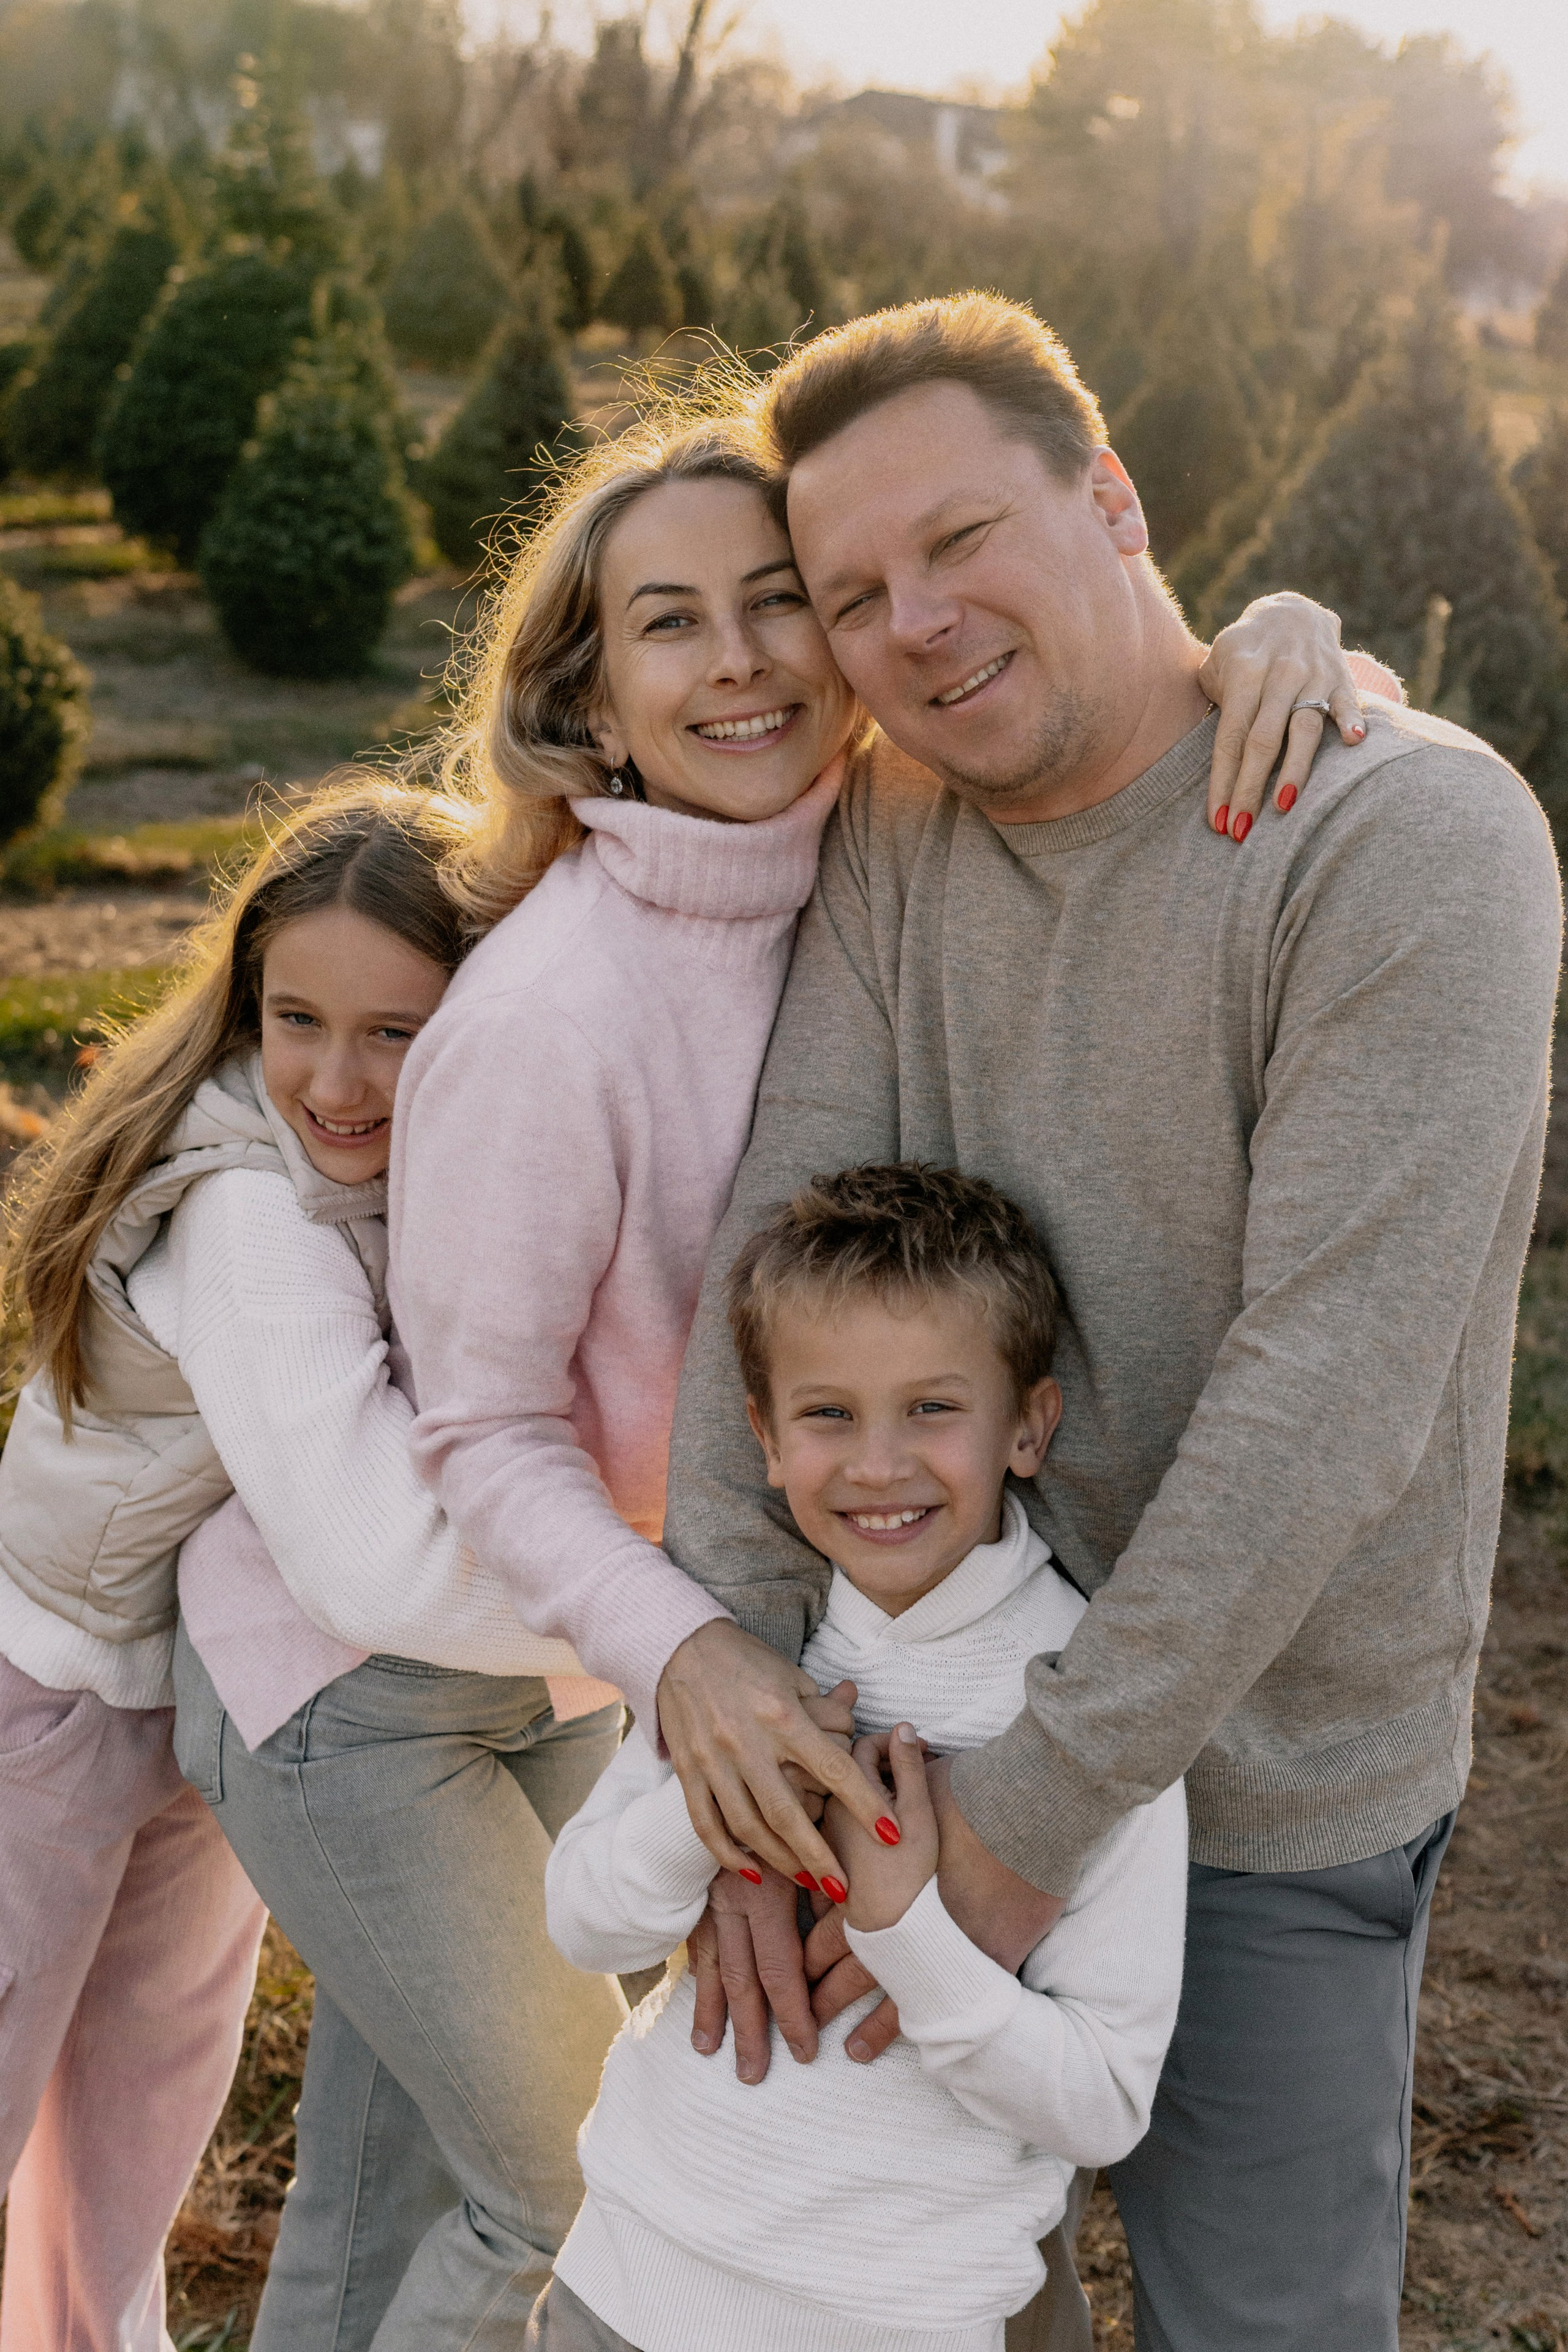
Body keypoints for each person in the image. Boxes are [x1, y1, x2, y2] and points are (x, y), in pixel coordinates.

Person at [652, 294, 1563, 2351]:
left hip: (1261, 1793)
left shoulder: (1406, 840)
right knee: (903, 2312)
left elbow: (1327, 1404)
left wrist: (1027, 1830)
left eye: (962, 538)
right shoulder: (894, 830)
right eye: (854, 594)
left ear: (1117, 497)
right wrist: (754, 1757)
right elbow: (771, 1272)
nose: (916, 624)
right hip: (903, 1745)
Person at [531, 1163, 1188, 2352]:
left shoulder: (1083, 1706)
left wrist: (905, 1936)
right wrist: (716, 1809)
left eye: (931, 1409)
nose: (877, 1465)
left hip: (892, 2320)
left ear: (1028, 1425)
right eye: (828, 1415)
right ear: (764, 1438)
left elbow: (1102, 2101)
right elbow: (585, 1923)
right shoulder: (741, 1649)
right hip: (626, 2283)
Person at [0, 783, 478, 2352]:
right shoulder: (245, 1208)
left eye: (396, 1033)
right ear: (245, 1004)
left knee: (122, 2163)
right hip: (48, 1702)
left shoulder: (416, 1169)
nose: (337, 1080)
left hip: (190, 1719)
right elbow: (361, 1539)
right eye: (298, 1022)